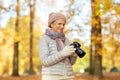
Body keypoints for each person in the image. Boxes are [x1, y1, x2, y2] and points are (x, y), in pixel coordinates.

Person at [38, 12, 77, 80]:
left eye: (63, 24)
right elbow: (44, 61)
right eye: (59, 24)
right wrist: (62, 53)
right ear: (52, 24)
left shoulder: (65, 40)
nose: (62, 26)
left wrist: (74, 56)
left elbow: (70, 63)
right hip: (52, 77)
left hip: (68, 76)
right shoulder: (44, 39)